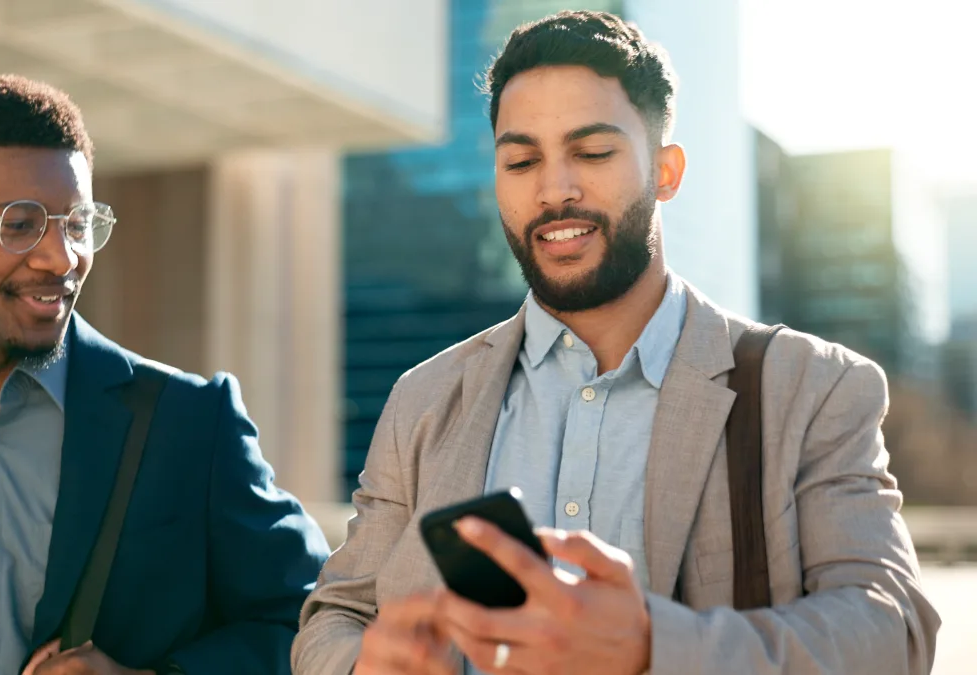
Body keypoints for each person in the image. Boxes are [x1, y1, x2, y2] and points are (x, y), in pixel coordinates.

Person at [293, 10, 940, 675]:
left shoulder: (813, 387)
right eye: (521, 161)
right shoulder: (425, 397)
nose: (554, 190)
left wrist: (652, 646)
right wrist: (364, 663)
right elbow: (334, 614)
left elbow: (891, 631)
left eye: (593, 152)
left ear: (666, 172)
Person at [0, 74, 330, 675]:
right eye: (20, 223)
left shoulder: (191, 423)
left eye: (77, 223)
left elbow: (317, 619)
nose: (63, 257)